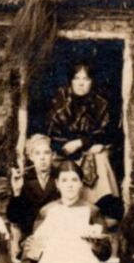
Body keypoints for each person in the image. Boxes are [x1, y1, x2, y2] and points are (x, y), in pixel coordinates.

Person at [25, 161, 112, 263]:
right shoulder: (47, 211)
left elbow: (105, 252)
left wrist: (96, 244)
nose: (70, 185)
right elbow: (33, 253)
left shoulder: (92, 211)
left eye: (74, 180)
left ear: (80, 183)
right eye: (64, 180)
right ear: (57, 184)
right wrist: (30, 247)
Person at [46, 61, 116, 200]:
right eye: (77, 78)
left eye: (86, 79)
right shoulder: (60, 99)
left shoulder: (99, 103)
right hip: (64, 153)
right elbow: (53, 135)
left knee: (100, 157)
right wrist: (73, 146)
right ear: (71, 81)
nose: (81, 83)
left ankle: (96, 206)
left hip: (91, 152)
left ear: (92, 82)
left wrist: (81, 142)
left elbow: (106, 133)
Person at [5, 133, 59, 259]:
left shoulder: (60, 178)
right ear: (31, 157)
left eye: (46, 153)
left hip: (56, 236)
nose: (42, 158)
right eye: (37, 153)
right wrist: (17, 192)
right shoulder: (23, 180)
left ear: (53, 156)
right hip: (30, 239)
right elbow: (14, 217)